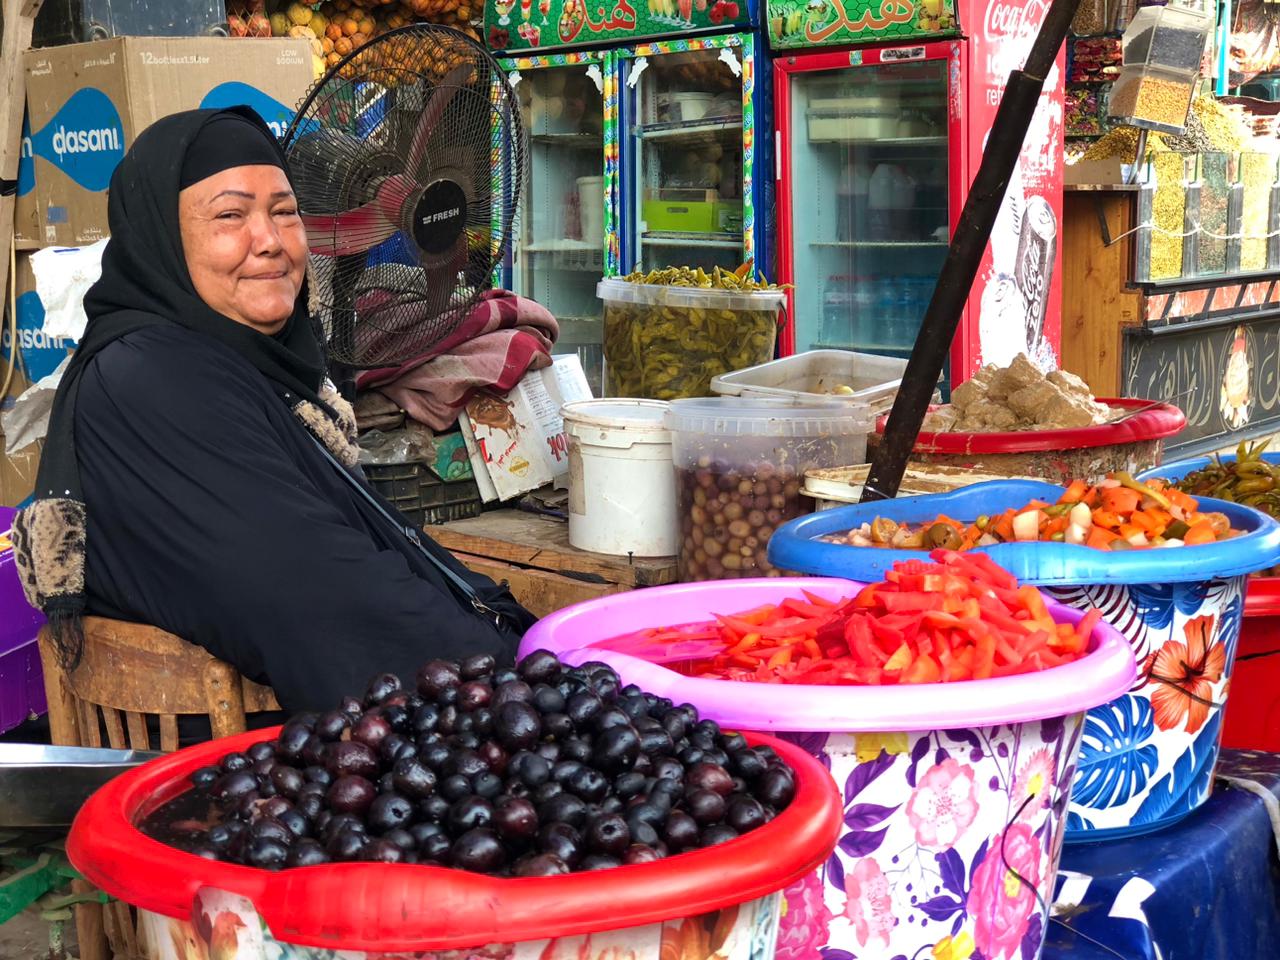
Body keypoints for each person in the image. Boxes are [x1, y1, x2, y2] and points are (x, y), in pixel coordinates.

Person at [12, 107, 535, 714]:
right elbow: (314, 595)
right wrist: (514, 674)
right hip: (226, 776)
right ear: (160, 238)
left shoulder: (244, 363)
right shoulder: (148, 381)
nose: (270, 241)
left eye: (285, 213)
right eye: (230, 216)